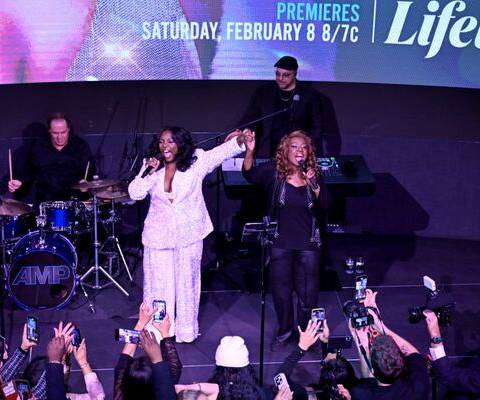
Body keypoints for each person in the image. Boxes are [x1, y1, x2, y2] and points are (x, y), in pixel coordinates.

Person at [127, 127, 246, 343]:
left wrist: (240, 141)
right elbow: (134, 193)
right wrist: (147, 172)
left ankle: (186, 331)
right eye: (162, 142)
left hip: (189, 234)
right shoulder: (151, 165)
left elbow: (219, 154)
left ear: (181, 144)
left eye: (171, 141)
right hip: (158, 236)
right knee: (158, 285)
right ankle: (158, 329)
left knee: (187, 283)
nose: (166, 146)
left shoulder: (196, 161)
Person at [242, 130, 330, 351]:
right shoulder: (274, 172)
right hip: (280, 243)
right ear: (285, 150)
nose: (299, 151)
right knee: (281, 293)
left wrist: (314, 186)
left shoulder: (314, 174)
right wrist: (250, 151)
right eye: (294, 146)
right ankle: (284, 332)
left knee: (308, 297)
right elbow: (250, 174)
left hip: (309, 245)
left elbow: (327, 205)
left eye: (303, 147)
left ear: (308, 151)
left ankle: (305, 335)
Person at [237, 56, 323, 158]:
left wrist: (305, 147)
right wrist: (240, 131)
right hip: (267, 151)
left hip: (296, 154)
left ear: (295, 73)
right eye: (277, 74)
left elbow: (317, 127)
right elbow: (249, 117)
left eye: (286, 75)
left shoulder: (308, 94)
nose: (280, 78)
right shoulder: (264, 91)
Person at [8, 112, 94, 203]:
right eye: (55, 133)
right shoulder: (38, 147)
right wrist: (20, 182)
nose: (59, 137)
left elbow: (89, 170)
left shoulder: (80, 146)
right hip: (46, 200)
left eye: (63, 132)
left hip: (74, 200)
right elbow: (28, 171)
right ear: (49, 130)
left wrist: (85, 181)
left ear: (68, 129)